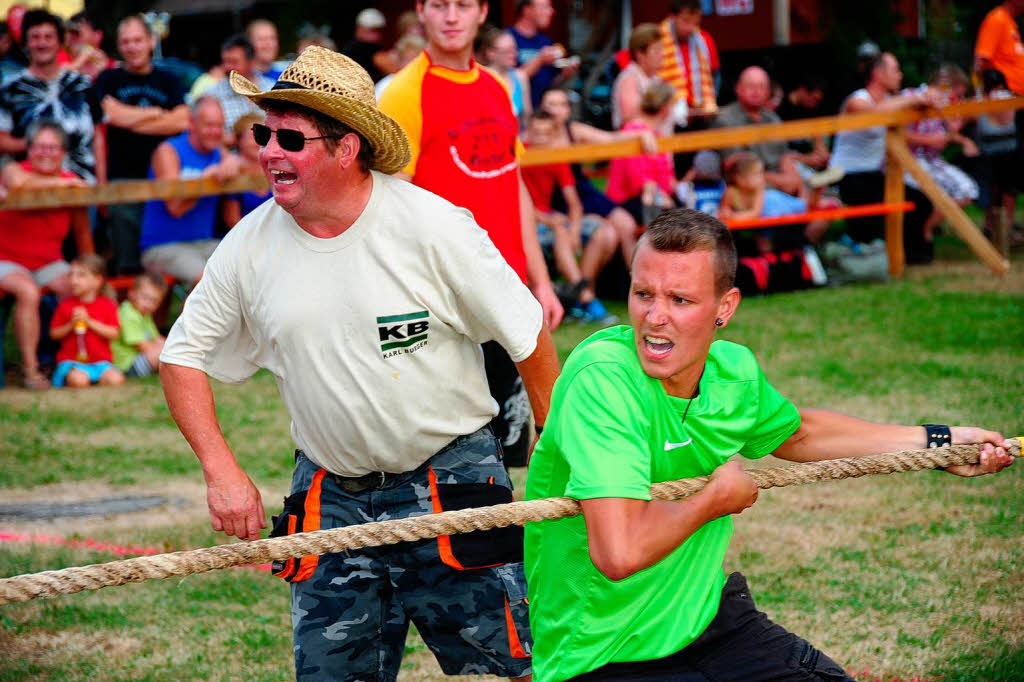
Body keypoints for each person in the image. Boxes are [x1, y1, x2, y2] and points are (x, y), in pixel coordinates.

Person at [160, 45, 560, 681]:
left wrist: (554, 439)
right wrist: (221, 469)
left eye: (289, 137)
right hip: (329, 495)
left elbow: (527, 330)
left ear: (347, 147)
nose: (268, 152)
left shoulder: (433, 226)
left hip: (451, 482)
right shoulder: (248, 246)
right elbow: (181, 356)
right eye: (262, 132)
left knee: (509, 671)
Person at [523, 207, 1016, 682]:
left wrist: (939, 443)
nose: (654, 317)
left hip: (705, 623)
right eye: (642, 294)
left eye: (680, 300)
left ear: (725, 307)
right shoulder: (603, 381)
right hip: (601, 655)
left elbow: (799, 433)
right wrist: (714, 500)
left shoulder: (732, 374)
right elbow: (619, 551)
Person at [379, 0, 565, 469]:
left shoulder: (498, 87)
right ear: (420, 11)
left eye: (463, 5)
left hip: (506, 292)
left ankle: (511, 542)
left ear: (482, 12)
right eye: (439, 5)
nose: (451, 17)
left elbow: (512, 181)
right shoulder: (404, 92)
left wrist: (538, 281)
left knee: (518, 452)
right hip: (443, 301)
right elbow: (389, 202)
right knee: (453, 454)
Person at [93, 15, 189, 275]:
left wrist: (127, 117)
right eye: (125, 41)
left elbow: (182, 120)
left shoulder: (169, 79)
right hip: (122, 181)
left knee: (162, 263)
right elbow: (110, 116)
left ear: (150, 41)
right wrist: (158, 113)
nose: (132, 47)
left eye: (137, 40)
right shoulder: (108, 79)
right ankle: (125, 316)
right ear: (119, 46)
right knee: (127, 263)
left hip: (163, 180)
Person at [0, 120, 92, 389]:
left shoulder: (71, 181)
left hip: (48, 262)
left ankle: (73, 362)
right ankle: (31, 371)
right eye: (40, 147)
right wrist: (65, 185)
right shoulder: (14, 169)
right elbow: (18, 184)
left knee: (78, 287)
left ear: (63, 152)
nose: (46, 153)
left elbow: (82, 232)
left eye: (53, 148)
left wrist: (93, 271)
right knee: (27, 292)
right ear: (29, 149)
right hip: (7, 260)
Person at [829, 52, 938, 262]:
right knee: (871, 212)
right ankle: (878, 256)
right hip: (846, 175)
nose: (900, 75)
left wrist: (929, 96)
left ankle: (911, 255)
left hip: (874, 174)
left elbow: (920, 98)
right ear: (878, 74)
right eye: (895, 70)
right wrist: (914, 98)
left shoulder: (891, 101)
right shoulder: (857, 100)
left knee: (920, 201)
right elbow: (875, 113)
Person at [523, 110, 619, 323]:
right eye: (536, 133)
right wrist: (551, 221)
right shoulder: (520, 156)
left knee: (604, 231)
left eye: (545, 134)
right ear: (528, 132)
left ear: (553, 134)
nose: (540, 138)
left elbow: (574, 204)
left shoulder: (556, 157)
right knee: (559, 231)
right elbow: (516, 202)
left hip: (550, 219)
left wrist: (574, 229)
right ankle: (585, 298)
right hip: (529, 223)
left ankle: (577, 295)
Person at [539, 87, 647, 264]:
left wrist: (642, 133)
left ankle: (636, 283)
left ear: (568, 110)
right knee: (607, 234)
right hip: (554, 199)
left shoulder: (573, 131)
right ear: (542, 108)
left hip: (582, 191)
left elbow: (611, 138)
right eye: (551, 104)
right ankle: (585, 287)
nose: (556, 110)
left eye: (562, 104)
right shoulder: (534, 136)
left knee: (626, 224)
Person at [139, 96, 239, 285]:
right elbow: (175, 207)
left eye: (220, 126)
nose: (215, 132)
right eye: (209, 125)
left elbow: (239, 163)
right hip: (164, 246)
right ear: (192, 123)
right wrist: (205, 180)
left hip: (204, 243)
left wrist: (234, 162)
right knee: (208, 281)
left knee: (242, 268)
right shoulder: (168, 151)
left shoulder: (219, 153)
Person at [0, 9, 102, 183]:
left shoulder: (82, 84)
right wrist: (42, 147)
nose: (42, 43)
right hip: (31, 189)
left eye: (49, 37)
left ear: (60, 42)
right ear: (26, 43)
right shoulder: (11, 88)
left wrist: (102, 184)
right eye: (35, 37)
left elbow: (98, 136)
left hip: (84, 186)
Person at [607, 81, 679, 226]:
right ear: (665, 109)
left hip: (653, 199)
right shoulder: (634, 132)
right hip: (630, 202)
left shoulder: (655, 134)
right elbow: (638, 181)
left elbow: (666, 176)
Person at [49, 254, 123, 389]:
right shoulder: (65, 305)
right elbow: (54, 334)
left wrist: (89, 322)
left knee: (116, 379)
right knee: (79, 380)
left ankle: (94, 379)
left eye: (80, 275)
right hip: (72, 363)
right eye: (71, 275)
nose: (73, 280)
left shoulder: (108, 305)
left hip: (100, 363)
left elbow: (114, 333)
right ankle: (78, 379)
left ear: (97, 281)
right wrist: (71, 324)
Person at [509, 0, 578, 109]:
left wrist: (564, 75)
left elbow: (549, 85)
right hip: (519, 112)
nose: (551, 11)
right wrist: (539, 60)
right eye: (545, 7)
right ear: (527, 10)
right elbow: (507, 81)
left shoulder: (545, 41)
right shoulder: (508, 39)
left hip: (542, 114)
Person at [656, 0, 719, 118]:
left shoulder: (704, 40)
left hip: (700, 113)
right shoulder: (656, 41)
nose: (690, 28)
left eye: (695, 23)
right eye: (686, 21)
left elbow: (714, 77)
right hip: (667, 114)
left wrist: (708, 105)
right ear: (672, 17)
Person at [206, 34, 273, 137]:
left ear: (251, 62)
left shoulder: (272, 90)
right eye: (225, 61)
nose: (228, 67)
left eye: (233, 62)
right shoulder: (213, 96)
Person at [111, 271, 167, 378]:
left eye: (154, 301)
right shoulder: (128, 314)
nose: (148, 304)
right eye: (145, 297)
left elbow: (156, 338)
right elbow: (141, 346)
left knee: (167, 346)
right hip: (126, 366)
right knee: (164, 354)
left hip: (140, 358)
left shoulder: (144, 314)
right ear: (131, 293)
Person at [611, 23, 664, 132]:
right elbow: (630, 119)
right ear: (640, 54)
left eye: (661, 49)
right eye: (656, 50)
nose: (661, 54)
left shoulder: (656, 79)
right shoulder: (629, 79)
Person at [222, 112, 271, 228]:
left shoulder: (274, 168)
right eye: (253, 137)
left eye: (262, 136)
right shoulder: (232, 169)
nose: (258, 142)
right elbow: (232, 220)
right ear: (239, 140)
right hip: (243, 238)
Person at [478, 26, 531, 126]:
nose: (513, 54)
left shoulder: (520, 77)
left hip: (517, 138)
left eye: (514, 49)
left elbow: (527, 116)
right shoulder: (480, 77)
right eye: (507, 51)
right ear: (491, 53)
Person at [975, 0, 1024, 96]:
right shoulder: (997, 19)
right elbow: (981, 61)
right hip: (1005, 97)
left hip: (1016, 97)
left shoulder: (1009, 23)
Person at [373, 33, 426, 100]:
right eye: (409, 60)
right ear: (400, 61)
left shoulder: (427, 85)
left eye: (418, 60)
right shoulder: (386, 85)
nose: (414, 64)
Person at [341, 8, 387, 82]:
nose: (376, 36)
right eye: (371, 31)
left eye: (378, 31)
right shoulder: (354, 50)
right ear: (359, 29)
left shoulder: (376, 50)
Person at [65, 11, 113, 80]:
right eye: (69, 32)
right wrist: (77, 64)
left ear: (97, 36)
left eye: (77, 33)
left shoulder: (114, 67)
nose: (71, 37)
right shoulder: (59, 60)